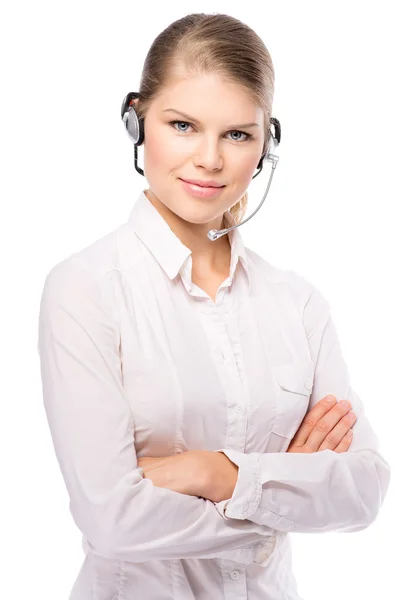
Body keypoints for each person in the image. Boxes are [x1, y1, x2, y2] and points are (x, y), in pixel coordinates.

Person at [37, 12, 391, 600]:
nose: (209, 159)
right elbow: (112, 520)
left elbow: (365, 490)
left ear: (266, 142)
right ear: (136, 120)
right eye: (182, 125)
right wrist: (284, 494)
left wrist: (218, 474)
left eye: (236, 134)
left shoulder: (297, 304)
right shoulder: (85, 288)